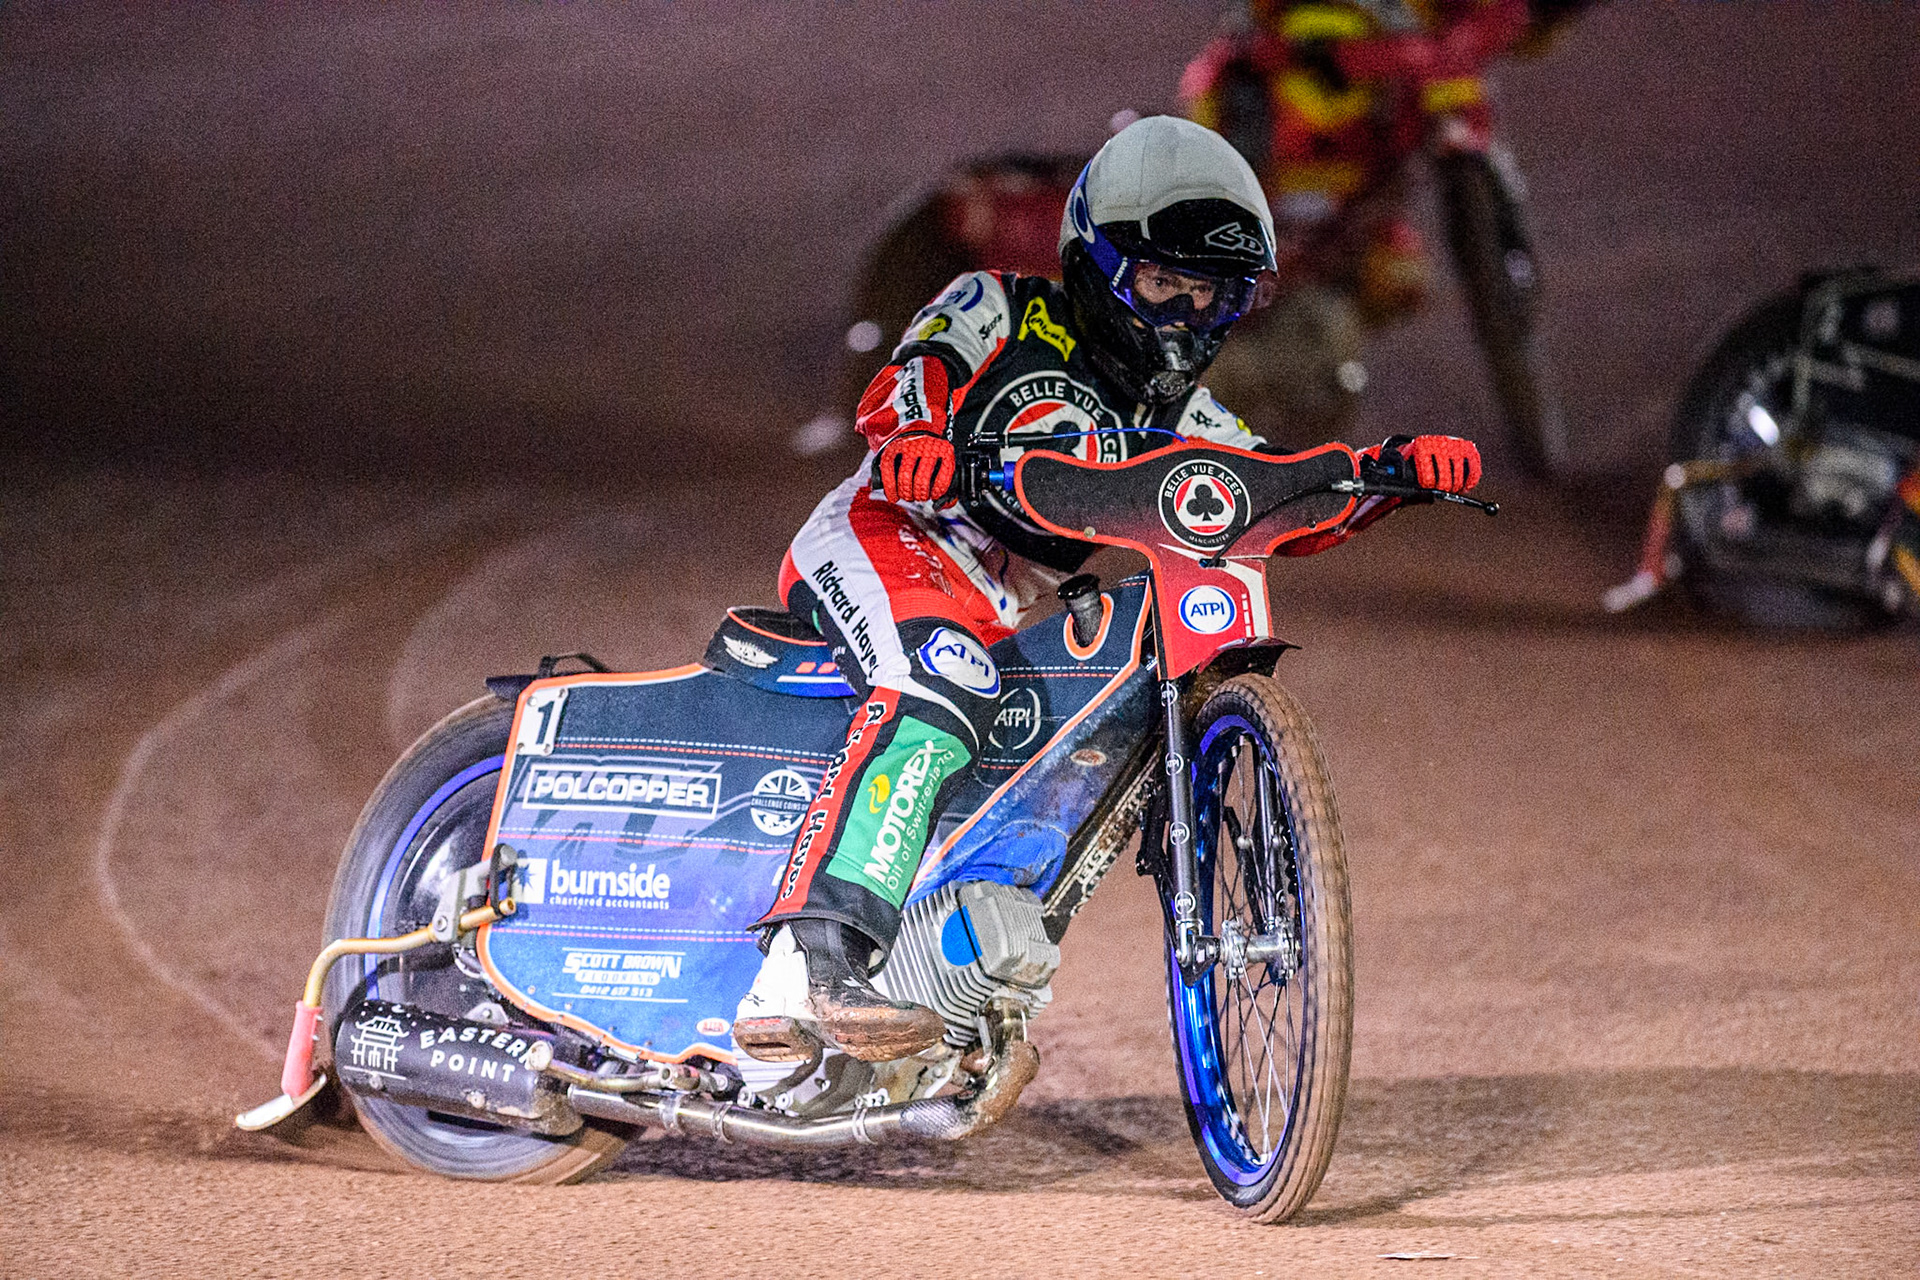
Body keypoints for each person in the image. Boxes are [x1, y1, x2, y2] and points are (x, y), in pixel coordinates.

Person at [731, 115, 1481, 1066]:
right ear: (1097, 263)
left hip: (991, 598)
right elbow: (910, 378)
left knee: (1021, 738)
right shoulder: (999, 306)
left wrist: (1387, 476)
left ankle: (941, 970)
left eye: (1211, 295)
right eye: (1165, 282)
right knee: (943, 681)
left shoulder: (1187, 413)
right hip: (887, 535)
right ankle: (804, 968)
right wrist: (916, 437)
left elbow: (1275, 495)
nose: (1183, 315)